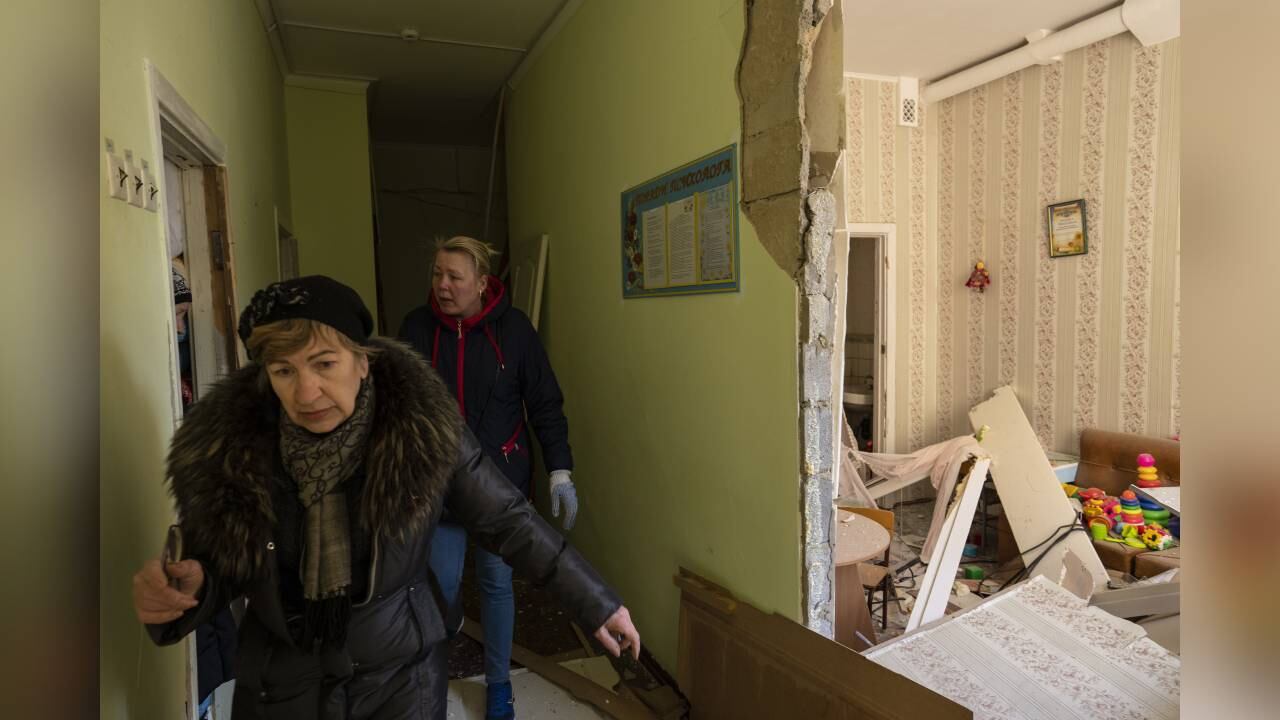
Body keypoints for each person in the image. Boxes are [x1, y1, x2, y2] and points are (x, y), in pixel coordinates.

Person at [132, 275, 639, 720]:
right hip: (281, 688)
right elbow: (219, 560)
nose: (306, 393)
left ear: (363, 362)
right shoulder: (239, 448)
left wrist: (595, 602)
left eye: (324, 364)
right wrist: (190, 585)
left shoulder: (420, 431)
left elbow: (507, 519)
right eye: (284, 371)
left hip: (400, 684)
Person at [398, 237, 578, 719]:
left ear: (482, 283)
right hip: (438, 488)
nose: (442, 285)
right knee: (441, 588)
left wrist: (560, 468)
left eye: (455, 277)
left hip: (499, 488)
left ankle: (499, 686)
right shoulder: (416, 329)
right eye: (437, 273)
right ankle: (435, 669)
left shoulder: (515, 331)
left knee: (498, 586)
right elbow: (394, 407)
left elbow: (544, 403)